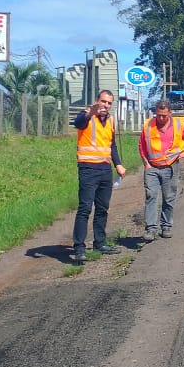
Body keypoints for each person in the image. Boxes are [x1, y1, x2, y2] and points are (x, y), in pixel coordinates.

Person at [71, 90, 127, 263]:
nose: (106, 105)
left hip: (105, 169)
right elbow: (78, 123)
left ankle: (100, 243)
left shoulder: (110, 120)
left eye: (109, 103)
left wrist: (117, 164)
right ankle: (79, 248)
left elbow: (112, 145)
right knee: (85, 208)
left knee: (102, 208)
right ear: (97, 101)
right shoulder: (86, 115)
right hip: (88, 169)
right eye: (103, 101)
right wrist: (90, 112)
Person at [138, 99, 184, 242]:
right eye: (158, 115)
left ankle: (166, 226)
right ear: (155, 113)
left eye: (164, 115)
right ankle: (151, 229)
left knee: (168, 197)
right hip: (152, 167)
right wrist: (146, 163)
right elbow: (141, 145)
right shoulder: (148, 125)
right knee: (151, 196)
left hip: (171, 166)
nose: (161, 118)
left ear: (170, 113)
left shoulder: (178, 124)